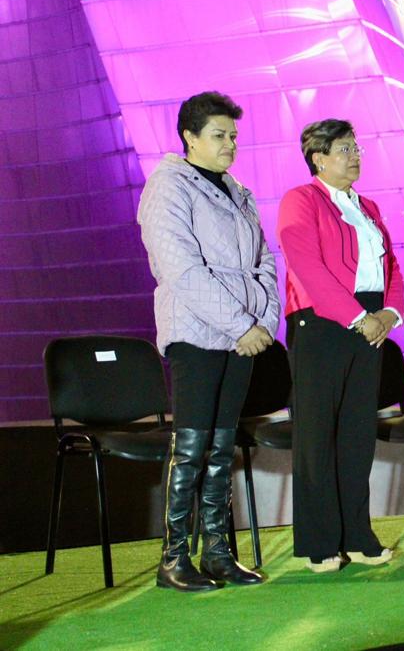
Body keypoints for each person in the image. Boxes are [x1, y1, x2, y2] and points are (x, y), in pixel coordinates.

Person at [138, 91, 279, 591]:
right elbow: (180, 269)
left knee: (222, 447)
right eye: (218, 135)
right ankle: (174, 558)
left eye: (233, 135)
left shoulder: (238, 191)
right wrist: (241, 325)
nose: (229, 144)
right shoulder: (167, 187)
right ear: (189, 137)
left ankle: (218, 552)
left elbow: (266, 261)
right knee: (193, 445)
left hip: (242, 338)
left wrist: (261, 323)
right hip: (198, 333)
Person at [277, 119, 404, 571]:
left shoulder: (366, 205)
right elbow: (307, 266)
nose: (356, 155)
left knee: (356, 436)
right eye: (345, 148)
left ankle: (358, 534)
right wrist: (357, 317)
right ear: (319, 157)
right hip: (322, 324)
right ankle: (320, 541)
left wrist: (389, 314)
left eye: (357, 147)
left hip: (370, 324)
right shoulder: (301, 199)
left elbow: (391, 266)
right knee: (317, 436)